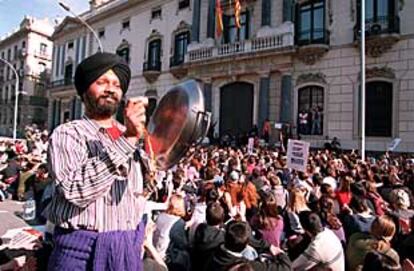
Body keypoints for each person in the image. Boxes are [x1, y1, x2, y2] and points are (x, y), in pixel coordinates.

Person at [47, 52, 149, 271]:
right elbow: (75, 190)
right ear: (84, 92)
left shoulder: (133, 134)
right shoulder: (67, 133)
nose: (111, 89)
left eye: (116, 84)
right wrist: (128, 140)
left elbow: (141, 192)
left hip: (126, 248)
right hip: (79, 251)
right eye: (101, 82)